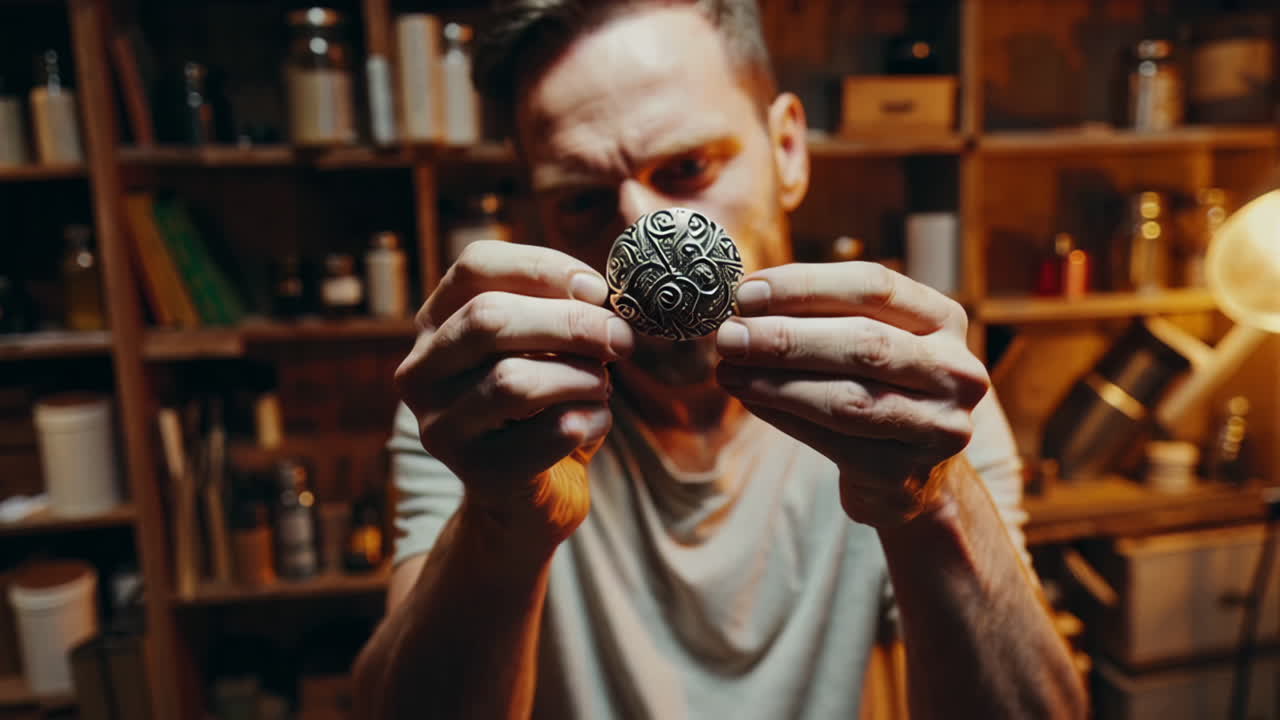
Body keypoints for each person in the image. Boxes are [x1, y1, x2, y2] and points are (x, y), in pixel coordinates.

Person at [354, 1, 1087, 718]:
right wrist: (501, 517)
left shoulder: (909, 389)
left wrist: (934, 498)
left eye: (688, 167)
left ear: (788, 152)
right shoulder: (487, 413)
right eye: (580, 200)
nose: (643, 233)